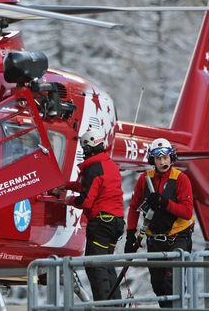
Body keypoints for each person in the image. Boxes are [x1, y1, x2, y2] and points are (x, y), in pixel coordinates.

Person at [124, 138, 194, 308]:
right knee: (158, 285)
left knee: (173, 283)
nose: (163, 161)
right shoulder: (144, 179)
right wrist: (130, 234)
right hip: (154, 239)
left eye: (166, 157)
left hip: (177, 237)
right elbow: (134, 208)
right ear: (152, 160)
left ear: (171, 157)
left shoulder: (181, 179)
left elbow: (186, 212)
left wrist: (164, 203)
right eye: (158, 158)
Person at [63, 127, 125, 302]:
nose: (84, 152)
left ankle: (103, 306)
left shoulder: (93, 168)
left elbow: (86, 200)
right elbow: (94, 186)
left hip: (101, 223)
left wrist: (67, 200)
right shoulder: (109, 164)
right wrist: (67, 185)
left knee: (95, 267)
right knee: (107, 266)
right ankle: (115, 305)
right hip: (116, 223)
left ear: (89, 148)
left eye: (84, 149)